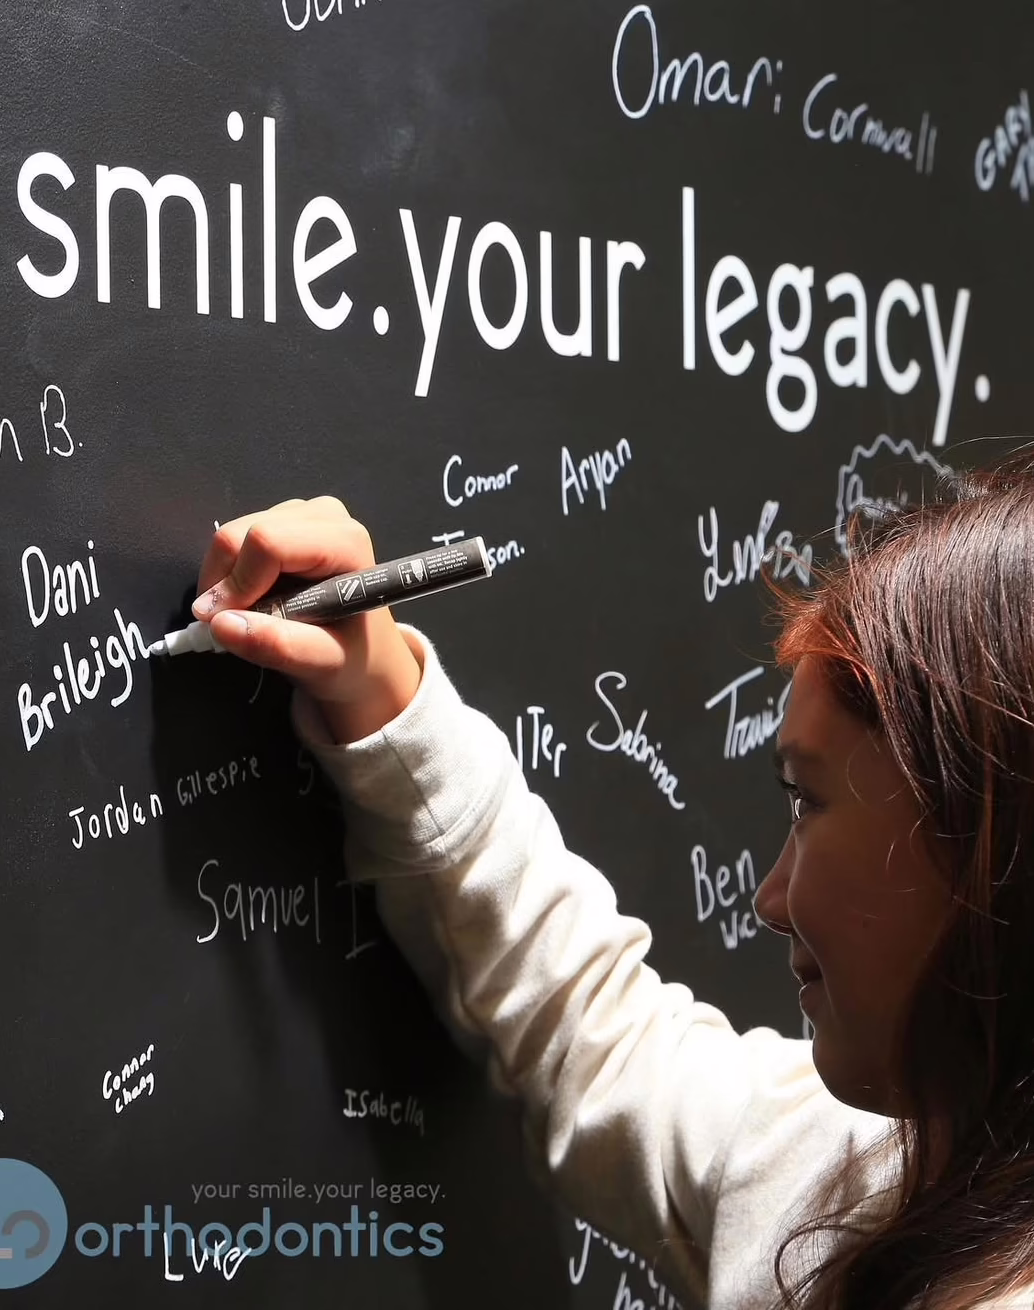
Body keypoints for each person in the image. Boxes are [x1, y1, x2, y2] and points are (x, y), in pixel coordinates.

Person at [187, 468, 1034, 1310]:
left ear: (992, 851)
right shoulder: (853, 1169)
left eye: (808, 802)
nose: (769, 900)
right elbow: (602, 1040)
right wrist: (384, 700)